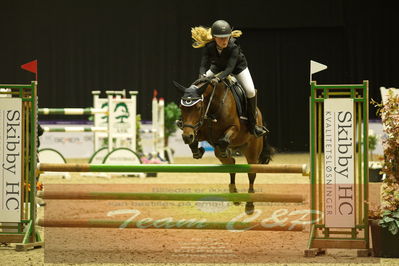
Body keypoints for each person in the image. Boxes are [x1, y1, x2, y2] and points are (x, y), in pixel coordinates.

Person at [191, 20, 268, 137]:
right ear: (214, 38)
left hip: (238, 69)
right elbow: (203, 65)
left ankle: (253, 125)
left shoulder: (234, 47)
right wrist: (202, 76)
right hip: (217, 68)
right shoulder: (209, 47)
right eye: (221, 38)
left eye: (226, 37)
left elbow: (229, 69)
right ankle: (190, 119)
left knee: (251, 91)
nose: (224, 41)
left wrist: (218, 79)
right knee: (197, 87)